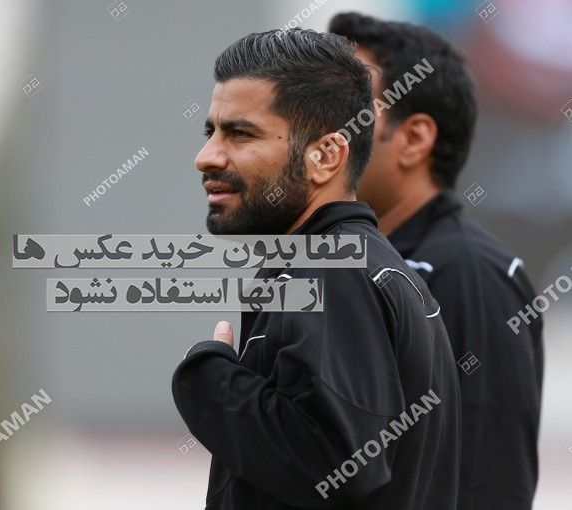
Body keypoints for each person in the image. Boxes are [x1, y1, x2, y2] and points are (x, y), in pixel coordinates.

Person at [171, 28, 460, 510]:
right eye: (211, 132)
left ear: (325, 156)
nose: (207, 157)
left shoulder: (332, 273)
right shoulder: (351, 264)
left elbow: (338, 463)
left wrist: (210, 380)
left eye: (240, 133)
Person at [329, 13, 544, 510]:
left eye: (343, 106)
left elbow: (488, 485)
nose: (315, 127)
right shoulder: (350, 262)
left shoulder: (469, 274)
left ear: (413, 139)